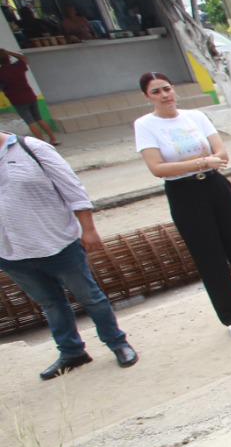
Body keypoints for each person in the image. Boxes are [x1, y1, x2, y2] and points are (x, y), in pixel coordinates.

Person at [135, 71, 231, 336]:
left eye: (166, 88)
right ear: (147, 96)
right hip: (183, 190)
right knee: (208, 253)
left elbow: (220, 152)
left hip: (214, 184)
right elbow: (157, 167)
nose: (164, 95)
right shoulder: (145, 125)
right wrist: (201, 162)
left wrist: (208, 163)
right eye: (156, 91)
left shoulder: (195, 117)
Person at [0, 130, 138, 379]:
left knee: (90, 297)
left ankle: (117, 343)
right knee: (50, 303)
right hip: (11, 253)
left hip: (57, 242)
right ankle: (72, 352)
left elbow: (72, 188)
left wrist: (89, 229)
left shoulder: (31, 148)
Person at [1, 49, 59, 144]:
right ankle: (53, 139)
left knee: (30, 122)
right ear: (8, 58)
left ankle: (42, 143)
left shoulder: (1, 73)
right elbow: (23, 57)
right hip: (30, 96)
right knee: (39, 119)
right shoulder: (18, 66)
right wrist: (9, 52)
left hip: (17, 100)